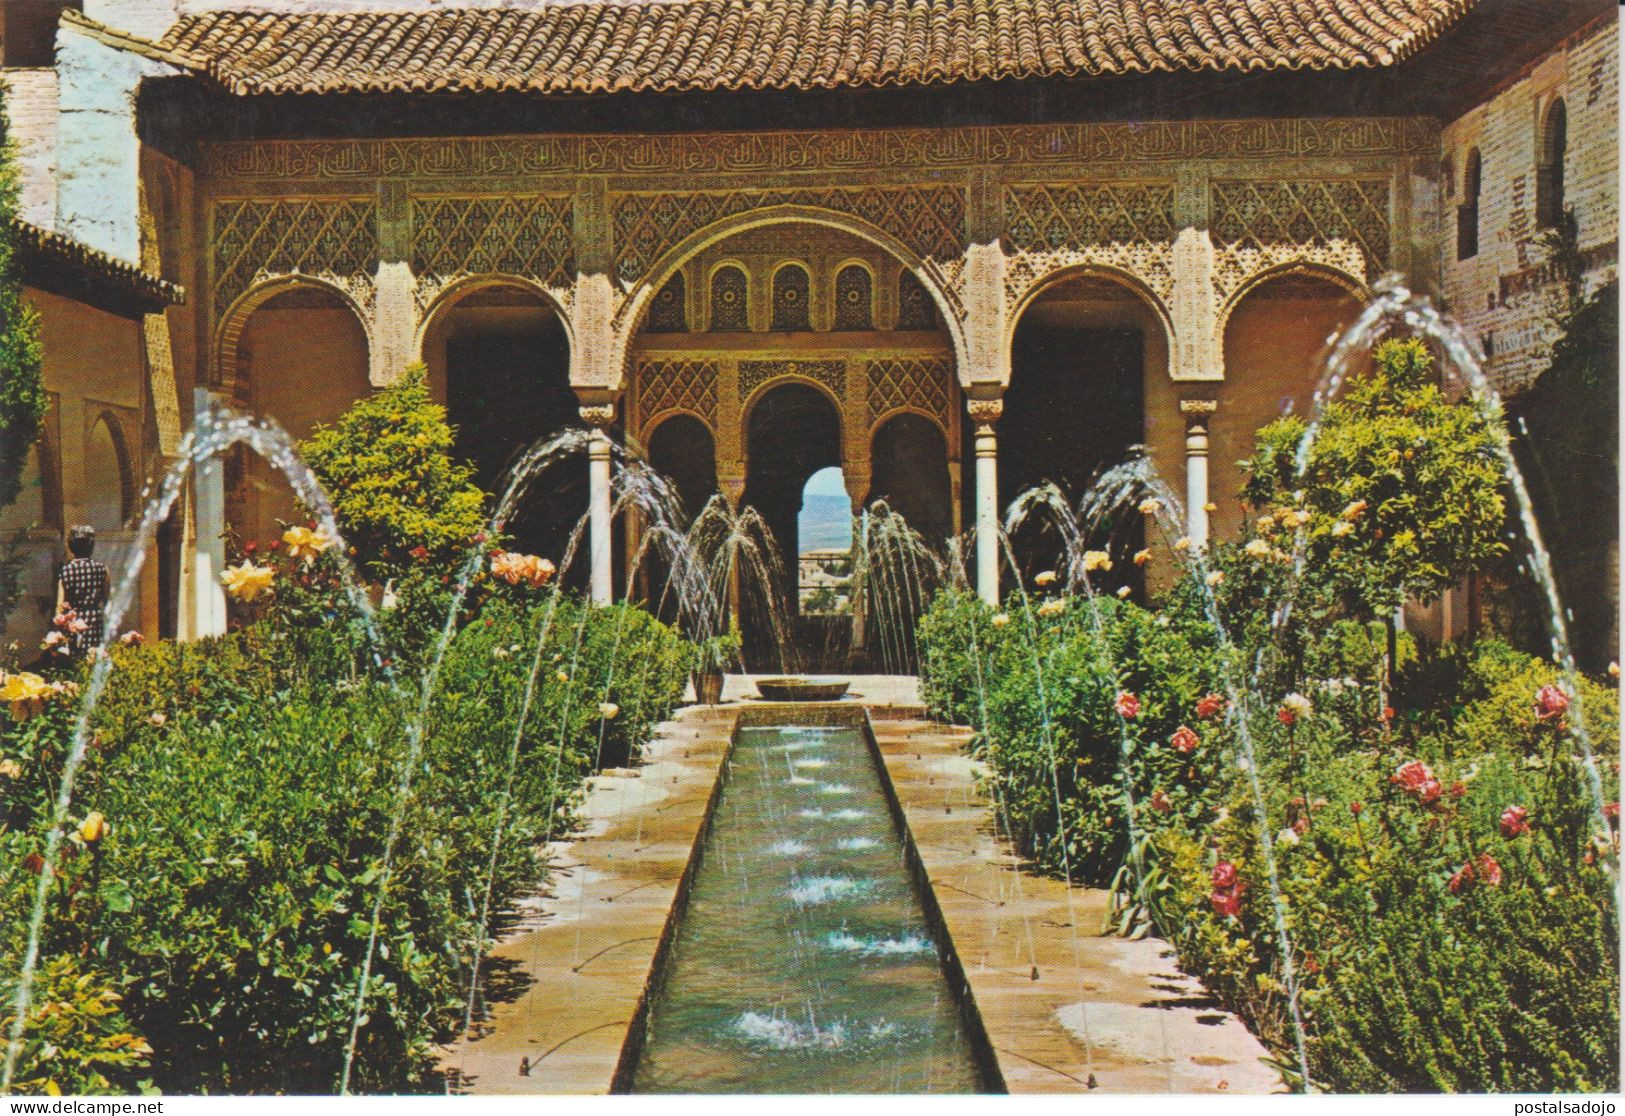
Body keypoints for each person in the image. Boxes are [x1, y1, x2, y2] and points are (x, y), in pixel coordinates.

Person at [58, 525, 111, 659]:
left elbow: (60, 604)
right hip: (95, 619)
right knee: (94, 657)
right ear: (91, 546)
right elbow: (107, 601)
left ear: (71, 545)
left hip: (73, 620)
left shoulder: (65, 571)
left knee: (75, 659)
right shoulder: (102, 569)